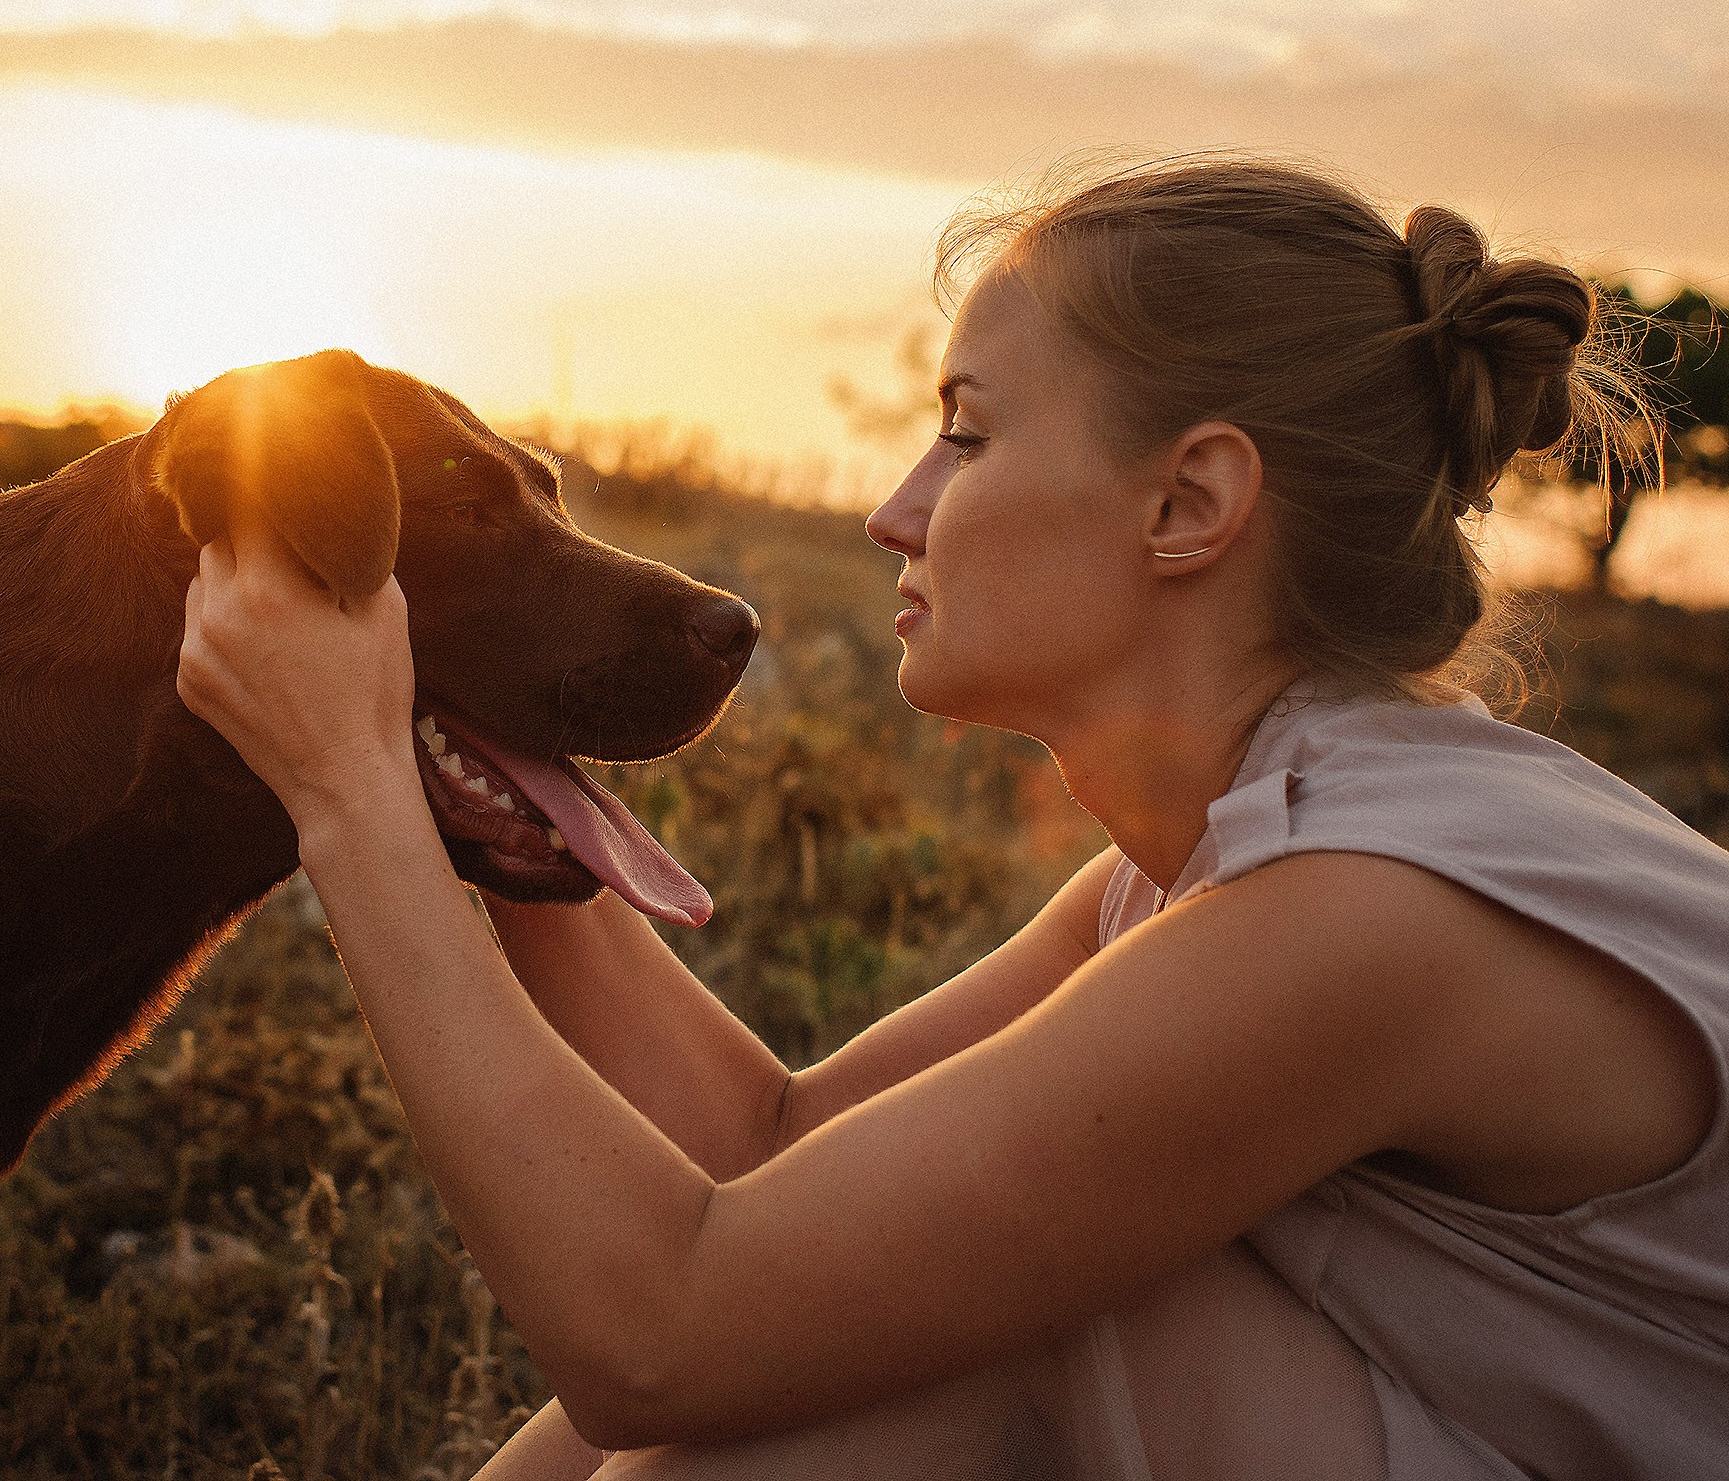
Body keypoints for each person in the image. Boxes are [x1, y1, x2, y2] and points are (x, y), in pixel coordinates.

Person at [172, 155, 1729, 1479]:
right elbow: (772, 1152)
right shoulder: (1240, 853)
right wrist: (500, 805)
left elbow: (662, 1336)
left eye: (969, 433)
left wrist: (350, 789)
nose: (893, 507)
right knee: (888, 1312)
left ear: (1189, 506)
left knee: (1026, 1321)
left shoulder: (1365, 915)